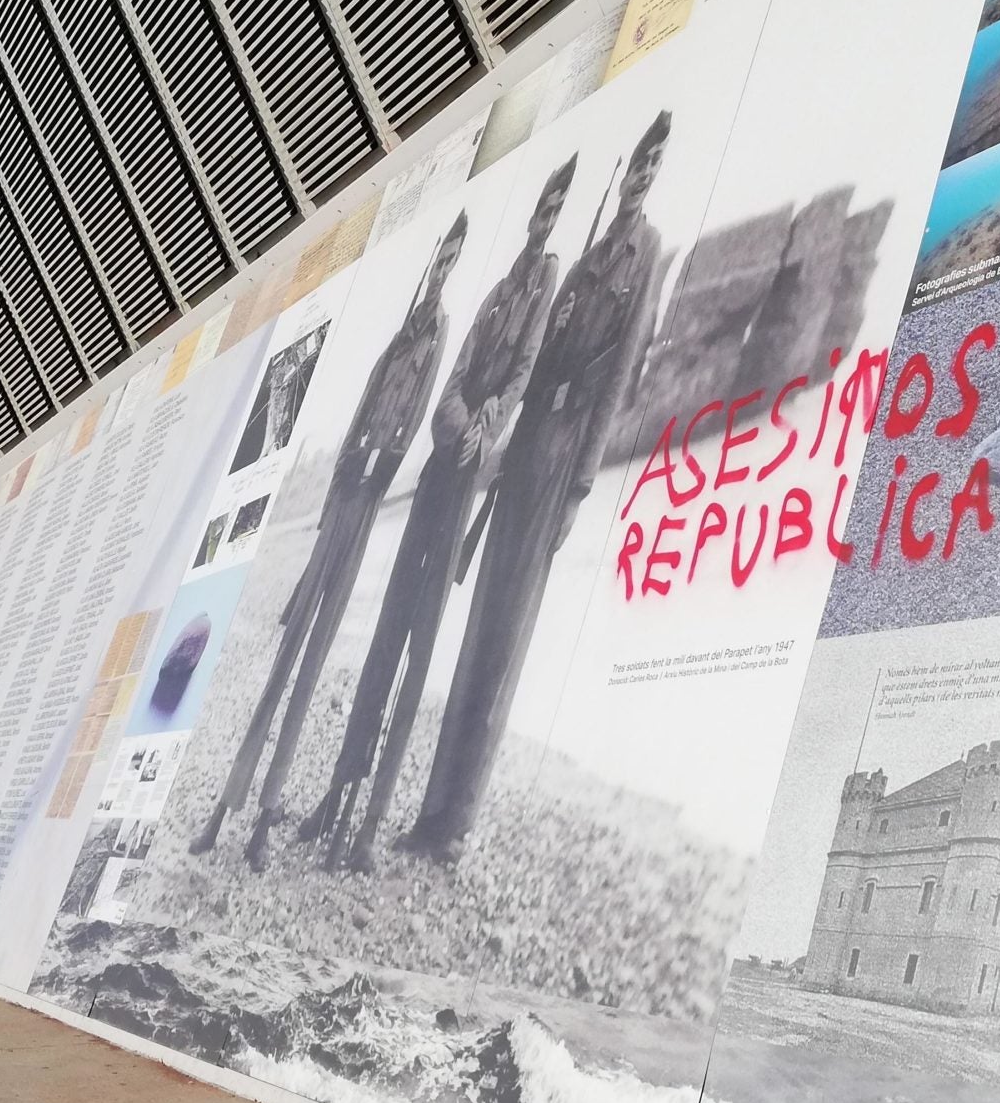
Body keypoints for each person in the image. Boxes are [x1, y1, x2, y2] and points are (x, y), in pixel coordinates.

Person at [401, 112, 671, 865]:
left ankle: (456, 827)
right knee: (479, 629)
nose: (641, 177)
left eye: (654, 167)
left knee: (507, 642)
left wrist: (583, 485)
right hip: (522, 456)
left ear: (657, 177)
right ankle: (431, 815)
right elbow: (541, 356)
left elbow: (616, 378)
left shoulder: (643, 253)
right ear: (623, 174)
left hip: (558, 461)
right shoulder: (585, 258)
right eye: (637, 165)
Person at [302, 160, 574, 872]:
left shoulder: (541, 298)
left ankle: (368, 827)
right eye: (544, 206)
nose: (547, 218)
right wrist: (458, 428)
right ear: (532, 214)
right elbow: (454, 378)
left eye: (558, 209)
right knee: (388, 634)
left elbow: (518, 379)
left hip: (465, 491)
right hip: (437, 474)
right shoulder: (491, 297)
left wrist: (487, 428)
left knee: (421, 650)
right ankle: (337, 795)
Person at [192, 214, 469, 870]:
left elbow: (414, 429)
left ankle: (265, 816)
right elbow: (359, 418)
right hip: (342, 501)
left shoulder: (434, 343)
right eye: (441, 257)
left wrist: (380, 464)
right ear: (431, 260)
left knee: (312, 666)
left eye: (453, 261)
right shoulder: (399, 341)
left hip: (367, 510)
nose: (441, 271)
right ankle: (225, 808)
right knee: (284, 661)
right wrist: (345, 474)